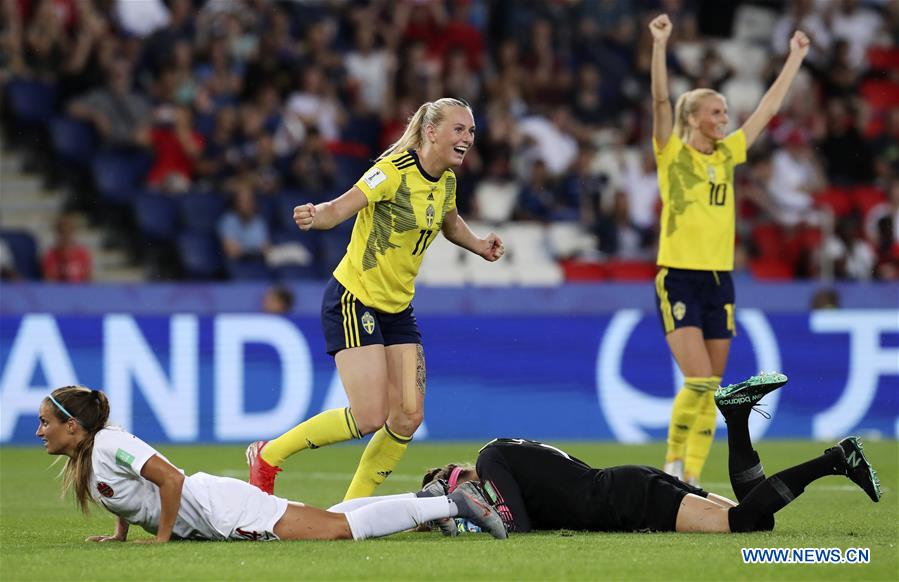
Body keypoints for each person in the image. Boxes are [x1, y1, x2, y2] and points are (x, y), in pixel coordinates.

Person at [246, 98, 504, 500]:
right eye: (459, 129)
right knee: (369, 415)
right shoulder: (391, 172)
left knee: (408, 416)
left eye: (471, 131)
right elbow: (341, 207)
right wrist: (318, 215)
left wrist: (479, 244)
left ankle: (350, 510)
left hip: (397, 308)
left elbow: (449, 222)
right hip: (355, 299)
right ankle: (268, 455)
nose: (468, 138)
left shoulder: (448, 181)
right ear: (431, 132)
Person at [648, 14, 810, 485]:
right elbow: (659, 99)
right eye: (717, 112)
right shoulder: (671, 153)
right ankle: (672, 462)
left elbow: (768, 109)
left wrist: (795, 57)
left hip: (720, 279)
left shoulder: (728, 153)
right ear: (693, 118)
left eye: (725, 112)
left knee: (713, 388)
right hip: (678, 275)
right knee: (697, 380)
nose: (726, 118)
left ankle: (691, 475)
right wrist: (660, 45)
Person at [421, 373, 881, 534]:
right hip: (626, 484)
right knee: (757, 518)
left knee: (744, 525)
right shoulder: (506, 450)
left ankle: (837, 459)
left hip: (627, 500)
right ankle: (737, 417)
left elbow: (515, 526)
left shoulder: (489, 461)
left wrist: (467, 519)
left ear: (461, 479)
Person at [37, 386, 507, 543]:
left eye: (45, 423)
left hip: (224, 511)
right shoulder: (96, 452)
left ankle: (453, 502)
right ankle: (428, 501)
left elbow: (169, 478)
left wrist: (159, 543)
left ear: (74, 426)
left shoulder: (105, 445)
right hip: (219, 509)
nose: (40, 431)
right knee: (339, 520)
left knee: (341, 531)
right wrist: (121, 533)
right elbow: (128, 491)